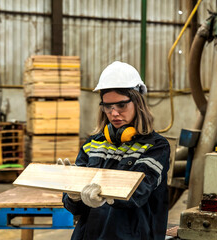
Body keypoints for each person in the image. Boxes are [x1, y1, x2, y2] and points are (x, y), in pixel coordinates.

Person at [62, 61, 170, 240]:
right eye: (107, 107)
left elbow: (139, 193)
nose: (114, 114)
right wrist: (72, 195)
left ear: (138, 103)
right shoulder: (93, 144)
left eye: (121, 106)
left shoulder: (156, 147)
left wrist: (107, 197)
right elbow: (76, 209)